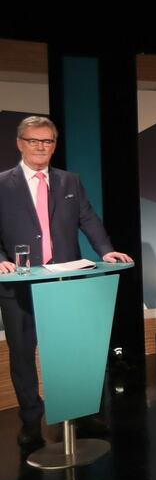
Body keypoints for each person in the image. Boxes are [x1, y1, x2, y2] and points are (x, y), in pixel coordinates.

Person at [0, 116, 133, 449]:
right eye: (34, 141)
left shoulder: (69, 181)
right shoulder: (2, 183)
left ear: (54, 145)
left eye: (47, 141)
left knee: (76, 349)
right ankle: (31, 420)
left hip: (66, 281)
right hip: (18, 285)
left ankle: (82, 413)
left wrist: (107, 250)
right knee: (22, 355)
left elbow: (88, 217)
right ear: (20, 143)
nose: (41, 147)